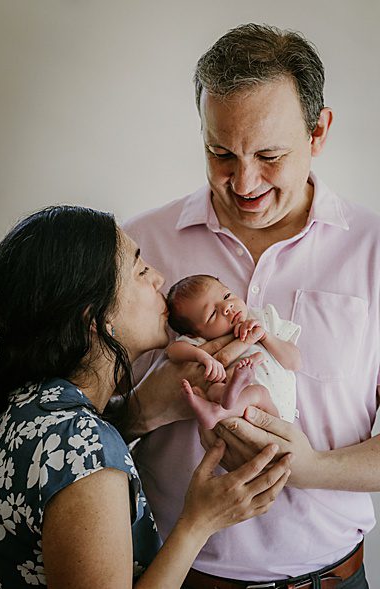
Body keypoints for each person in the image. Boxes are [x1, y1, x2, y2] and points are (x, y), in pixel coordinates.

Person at [122, 23, 380, 587]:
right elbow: (70, 423)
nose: (243, 183)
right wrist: (141, 411)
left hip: (331, 579)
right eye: (220, 153)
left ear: (319, 132)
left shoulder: (375, 250)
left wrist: (311, 469)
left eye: (269, 156)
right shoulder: (136, 249)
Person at [0, 205, 290, 587]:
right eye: (142, 272)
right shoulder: (85, 453)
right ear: (95, 318)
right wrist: (199, 523)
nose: (160, 278)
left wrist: (139, 413)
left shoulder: (25, 397)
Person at [164, 274, 300, 429]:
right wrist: (202, 356)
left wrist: (265, 336)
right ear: (193, 334)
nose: (226, 306)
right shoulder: (204, 340)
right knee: (214, 390)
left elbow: (295, 362)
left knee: (258, 393)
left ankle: (218, 410)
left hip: (276, 418)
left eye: (227, 295)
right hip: (237, 422)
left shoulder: (263, 318)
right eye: (213, 313)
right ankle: (231, 391)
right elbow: (172, 351)